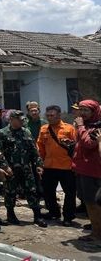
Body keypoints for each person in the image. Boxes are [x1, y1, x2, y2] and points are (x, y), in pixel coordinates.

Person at [0, 110, 47, 228]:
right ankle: (10, 215)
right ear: (11, 119)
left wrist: (39, 164)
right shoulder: (2, 133)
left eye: (22, 119)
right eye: (19, 120)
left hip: (26, 168)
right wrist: (5, 167)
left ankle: (37, 216)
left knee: (32, 191)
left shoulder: (26, 132)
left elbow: (34, 150)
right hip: (11, 169)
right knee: (10, 192)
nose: (22, 121)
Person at [36, 105, 77, 226]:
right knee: (48, 192)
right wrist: (40, 164)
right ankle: (53, 212)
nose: (49, 118)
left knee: (69, 193)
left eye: (52, 115)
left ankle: (68, 217)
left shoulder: (69, 129)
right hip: (49, 166)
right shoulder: (44, 129)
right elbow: (40, 147)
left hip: (66, 167)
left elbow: (75, 148)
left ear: (59, 115)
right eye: (47, 115)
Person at [73, 100, 101, 241]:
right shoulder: (87, 126)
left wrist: (80, 126)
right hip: (84, 169)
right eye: (81, 109)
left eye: (86, 110)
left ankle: (97, 234)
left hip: (93, 171)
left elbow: (89, 144)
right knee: (88, 202)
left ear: (94, 112)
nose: (82, 113)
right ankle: (96, 226)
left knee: (92, 202)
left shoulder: (96, 127)